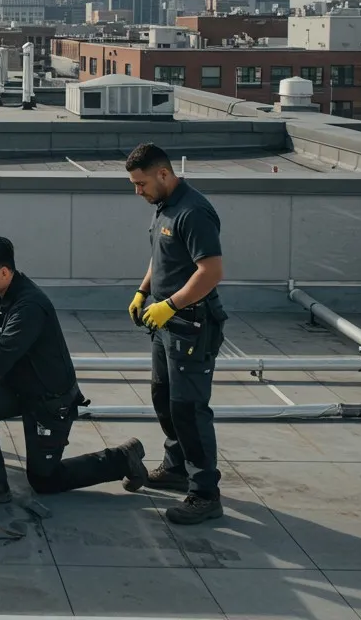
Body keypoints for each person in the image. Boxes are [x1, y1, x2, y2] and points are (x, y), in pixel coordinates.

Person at [0, 236, 148, 509]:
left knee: (44, 480)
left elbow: (0, 359)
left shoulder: (29, 306)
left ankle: (122, 458)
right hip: (19, 384)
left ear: (3, 272)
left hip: (49, 398)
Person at [125, 142, 227, 525]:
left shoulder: (194, 211)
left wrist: (172, 304)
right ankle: (176, 466)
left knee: (189, 409)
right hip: (164, 322)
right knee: (163, 397)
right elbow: (161, 255)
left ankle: (204, 493)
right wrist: (144, 291)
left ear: (163, 174)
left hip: (191, 326)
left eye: (141, 184)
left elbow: (210, 272)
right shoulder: (164, 207)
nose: (138, 191)